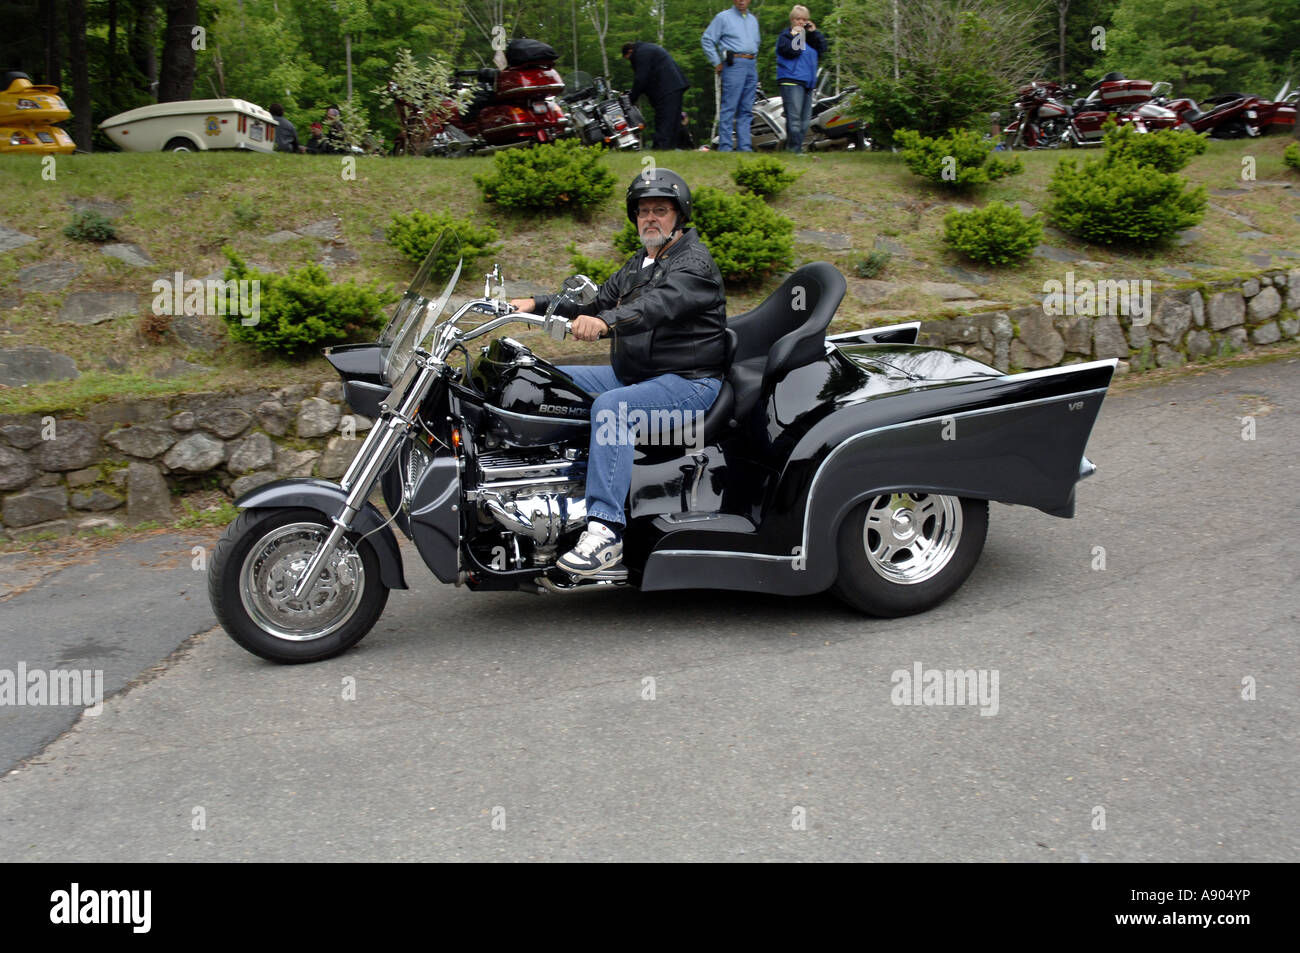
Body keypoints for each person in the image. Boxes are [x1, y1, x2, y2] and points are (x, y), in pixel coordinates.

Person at [507, 170, 727, 575]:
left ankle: (605, 531)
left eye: (660, 210)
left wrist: (607, 323)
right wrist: (532, 303)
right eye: (643, 211)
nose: (650, 219)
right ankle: (542, 486)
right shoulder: (639, 264)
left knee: (614, 410)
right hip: (637, 376)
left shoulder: (693, 264)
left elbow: (657, 305)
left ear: (679, 216)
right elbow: (594, 302)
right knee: (542, 379)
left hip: (689, 384)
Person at [701, 0, 761, 152]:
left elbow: (757, 42)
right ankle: (726, 147)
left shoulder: (753, 19)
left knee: (747, 109)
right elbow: (707, 39)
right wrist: (716, 62)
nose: (741, 1)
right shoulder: (723, 17)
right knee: (729, 107)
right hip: (734, 64)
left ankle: (745, 147)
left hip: (751, 63)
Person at [775, 5, 827, 154]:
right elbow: (793, 51)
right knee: (794, 119)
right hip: (791, 81)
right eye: (798, 19)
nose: (801, 22)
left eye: (804, 19)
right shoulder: (785, 36)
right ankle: (794, 150)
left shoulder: (810, 39)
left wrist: (814, 32)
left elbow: (822, 48)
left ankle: (795, 149)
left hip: (807, 83)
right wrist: (796, 35)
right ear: (792, 20)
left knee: (805, 122)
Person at [622, 41, 691, 151]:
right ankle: (681, 146)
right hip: (673, 86)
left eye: (629, 58)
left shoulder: (640, 53)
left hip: (668, 88)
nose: (631, 61)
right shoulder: (647, 48)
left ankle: (662, 147)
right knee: (673, 120)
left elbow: (641, 78)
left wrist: (631, 98)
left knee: (665, 119)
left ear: (630, 52)